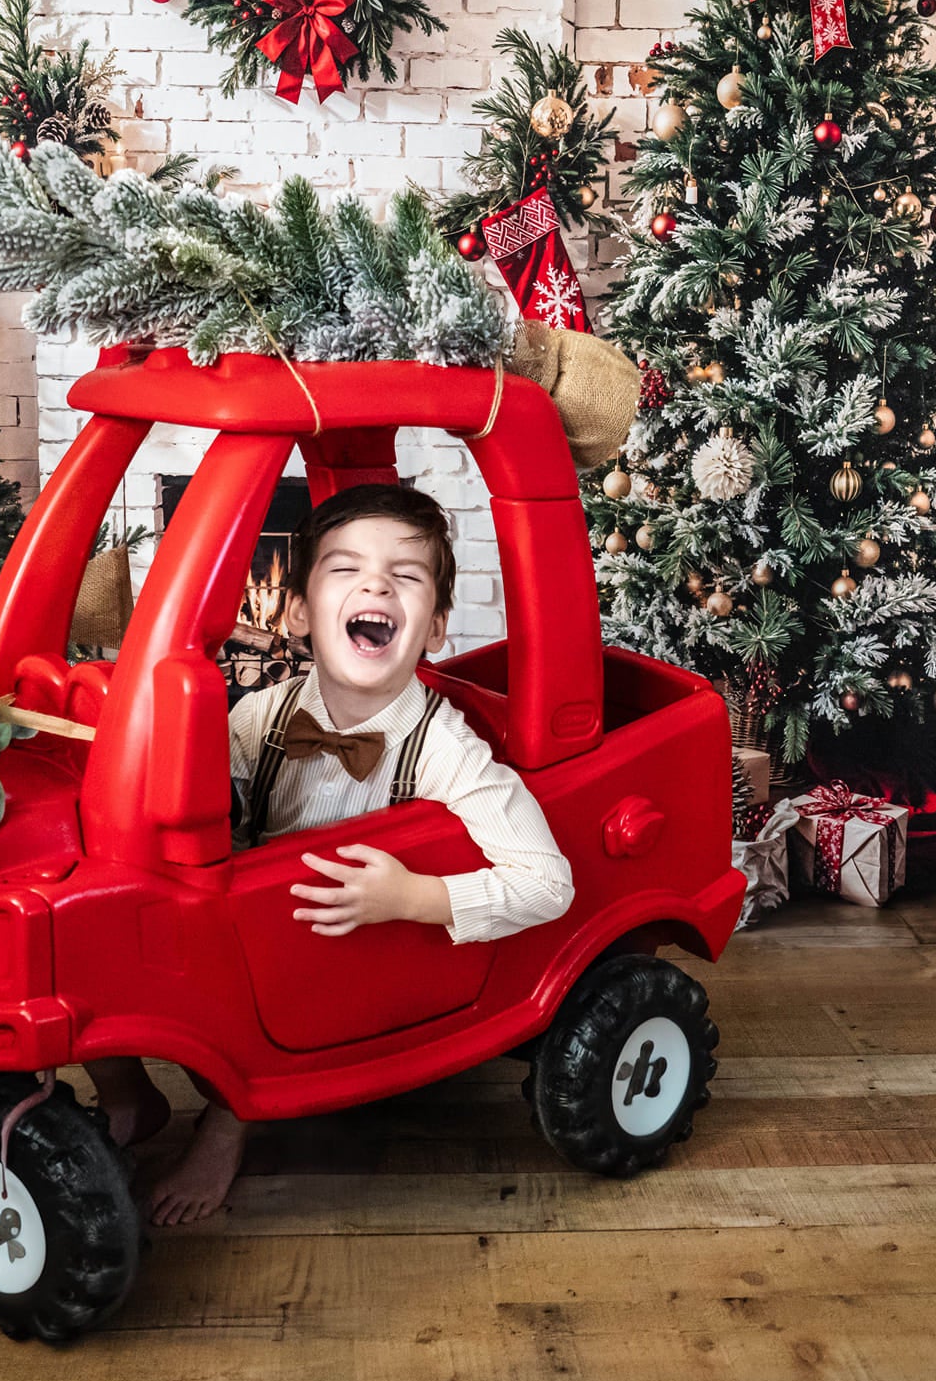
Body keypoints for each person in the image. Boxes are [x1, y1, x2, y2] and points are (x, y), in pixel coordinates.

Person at [88, 483, 575, 1225]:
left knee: (269, 949)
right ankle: (127, 1094)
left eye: (404, 575)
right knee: (107, 923)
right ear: (298, 612)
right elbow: (197, 806)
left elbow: (549, 883)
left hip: (341, 960)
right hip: (245, 926)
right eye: (345, 569)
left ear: (437, 627)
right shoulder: (259, 714)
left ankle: (229, 1121)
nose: (375, 583)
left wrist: (416, 897)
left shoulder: (448, 752)